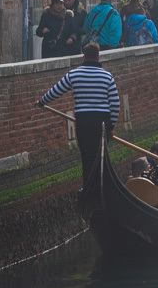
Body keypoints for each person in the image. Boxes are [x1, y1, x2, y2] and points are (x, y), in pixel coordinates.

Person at [37, 43, 119, 185]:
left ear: (84, 57)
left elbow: (56, 91)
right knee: (102, 156)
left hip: (83, 120)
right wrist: (111, 126)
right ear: (98, 58)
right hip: (102, 121)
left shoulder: (74, 74)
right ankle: (101, 187)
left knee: (87, 156)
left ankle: (88, 187)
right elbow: (115, 105)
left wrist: (41, 102)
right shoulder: (107, 77)